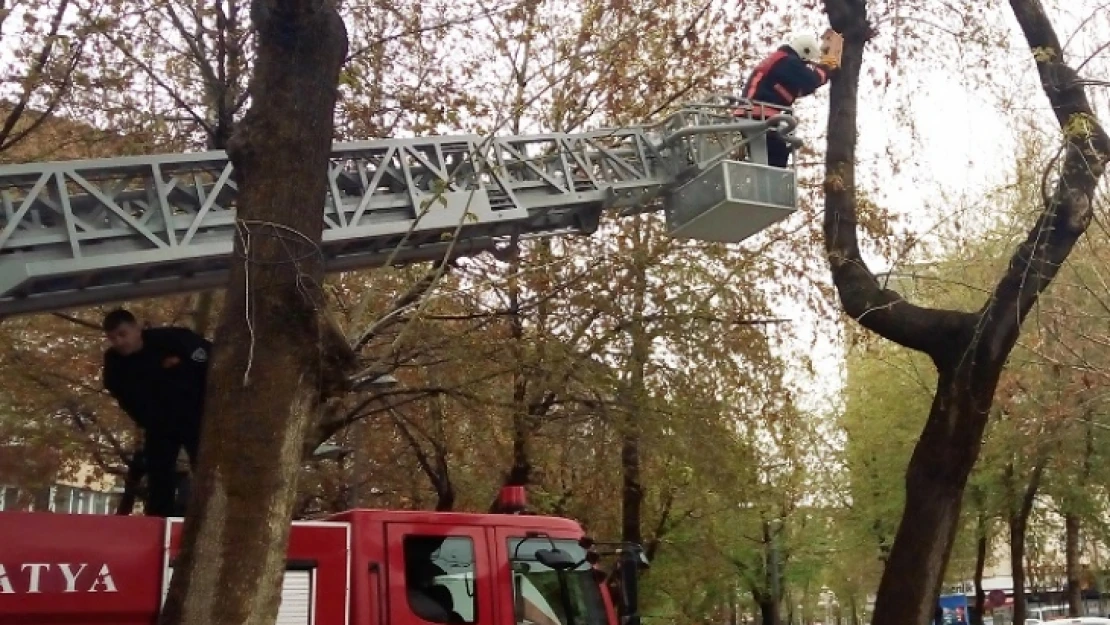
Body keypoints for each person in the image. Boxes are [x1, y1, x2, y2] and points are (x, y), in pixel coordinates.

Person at [101, 308, 212, 517]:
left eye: (122, 334)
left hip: (195, 416)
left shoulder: (172, 339)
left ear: (137, 329)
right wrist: (146, 420)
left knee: (206, 468)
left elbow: (210, 359)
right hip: (158, 423)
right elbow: (121, 394)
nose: (119, 343)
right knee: (159, 475)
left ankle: (210, 515)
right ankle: (158, 521)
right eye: (112, 338)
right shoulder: (115, 363)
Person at [741, 31, 841, 167]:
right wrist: (826, 70)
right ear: (804, 53)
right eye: (805, 63)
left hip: (752, 113)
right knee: (775, 158)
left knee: (773, 155)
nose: (804, 66)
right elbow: (811, 80)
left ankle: (767, 182)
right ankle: (770, 185)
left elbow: (799, 88)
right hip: (760, 114)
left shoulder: (779, 61)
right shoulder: (788, 61)